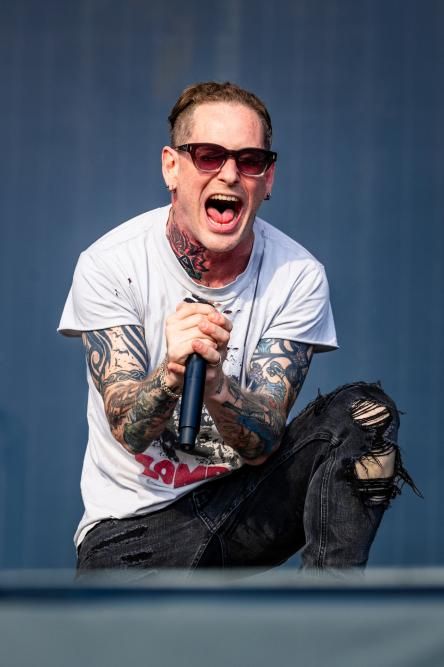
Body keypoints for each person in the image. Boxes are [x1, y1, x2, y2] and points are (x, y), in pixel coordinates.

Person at [59, 81, 417, 572]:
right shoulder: (111, 264)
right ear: (171, 167)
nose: (229, 173)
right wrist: (173, 372)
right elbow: (128, 429)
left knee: (365, 415)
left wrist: (216, 384)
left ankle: (329, 608)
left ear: (268, 179)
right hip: (131, 533)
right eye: (209, 155)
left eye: (250, 160)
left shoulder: (296, 275)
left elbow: (262, 442)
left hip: (241, 511)